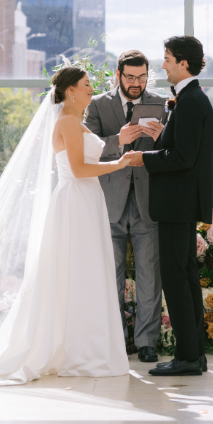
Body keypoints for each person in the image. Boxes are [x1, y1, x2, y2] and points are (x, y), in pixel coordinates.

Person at [0, 67, 144, 382]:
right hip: (76, 200)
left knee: (86, 270)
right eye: (87, 85)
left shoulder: (73, 122)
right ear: (69, 91)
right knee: (78, 270)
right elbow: (79, 169)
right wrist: (119, 163)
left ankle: (85, 345)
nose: (92, 89)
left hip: (85, 199)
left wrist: (116, 149)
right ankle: (81, 350)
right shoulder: (66, 122)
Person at [141, 36, 213, 377]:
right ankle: (194, 353)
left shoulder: (190, 102)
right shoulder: (191, 99)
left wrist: (142, 157)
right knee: (185, 275)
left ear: (183, 63)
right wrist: (163, 135)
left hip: (176, 205)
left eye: (167, 58)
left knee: (176, 278)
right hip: (183, 204)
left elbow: (183, 158)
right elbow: (184, 148)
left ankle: (187, 357)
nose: (163, 65)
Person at [85, 50, 166, 364]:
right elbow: (86, 147)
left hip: (147, 201)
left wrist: (163, 136)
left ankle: (147, 343)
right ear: (118, 75)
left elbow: (172, 149)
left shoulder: (159, 104)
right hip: (109, 201)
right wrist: (118, 140)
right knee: (111, 275)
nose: (136, 83)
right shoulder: (98, 105)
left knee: (149, 275)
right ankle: (116, 341)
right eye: (130, 77)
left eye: (142, 76)